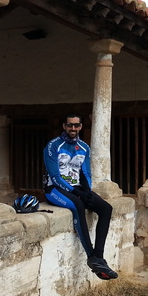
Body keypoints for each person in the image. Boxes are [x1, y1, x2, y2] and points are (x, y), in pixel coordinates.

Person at [43, 113, 118, 280]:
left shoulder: (84, 147)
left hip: (76, 187)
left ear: (81, 127)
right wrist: (76, 192)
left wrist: (88, 191)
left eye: (76, 125)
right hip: (54, 190)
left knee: (106, 208)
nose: (73, 128)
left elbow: (85, 172)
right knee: (78, 205)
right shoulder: (53, 145)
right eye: (70, 125)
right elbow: (55, 176)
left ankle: (99, 257)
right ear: (64, 126)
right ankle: (91, 256)